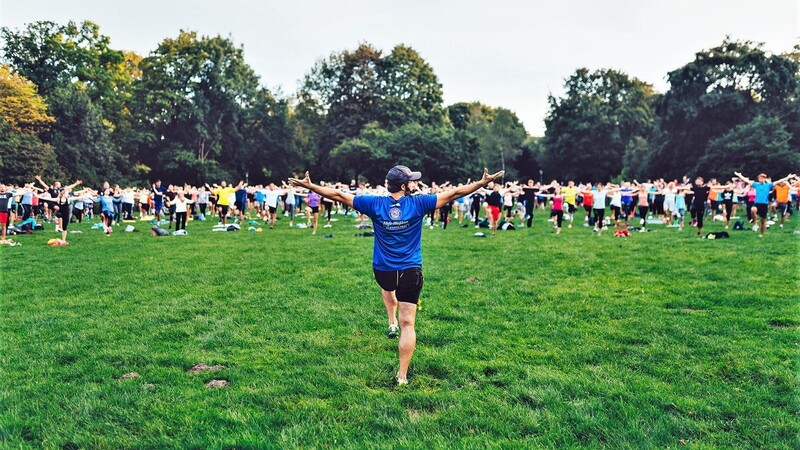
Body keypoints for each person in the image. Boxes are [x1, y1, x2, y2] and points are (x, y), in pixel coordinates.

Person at [289, 165, 503, 386]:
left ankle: (391, 320)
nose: (413, 184)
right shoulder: (419, 203)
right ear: (403, 185)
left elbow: (337, 194)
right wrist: (480, 183)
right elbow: (456, 193)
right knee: (408, 323)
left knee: (388, 289)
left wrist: (310, 186)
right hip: (411, 271)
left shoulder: (374, 203)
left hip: (383, 271)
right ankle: (402, 376)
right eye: (411, 181)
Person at [735, 171, 795, 237]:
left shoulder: (768, 185)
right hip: (757, 203)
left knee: (763, 221)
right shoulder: (756, 184)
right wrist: (739, 175)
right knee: (752, 210)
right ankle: (755, 224)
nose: (761, 179)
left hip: (764, 204)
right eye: (760, 178)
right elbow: (746, 180)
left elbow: (778, 181)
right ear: (758, 179)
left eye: (763, 178)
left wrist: (788, 177)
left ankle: (761, 234)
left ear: (765, 179)